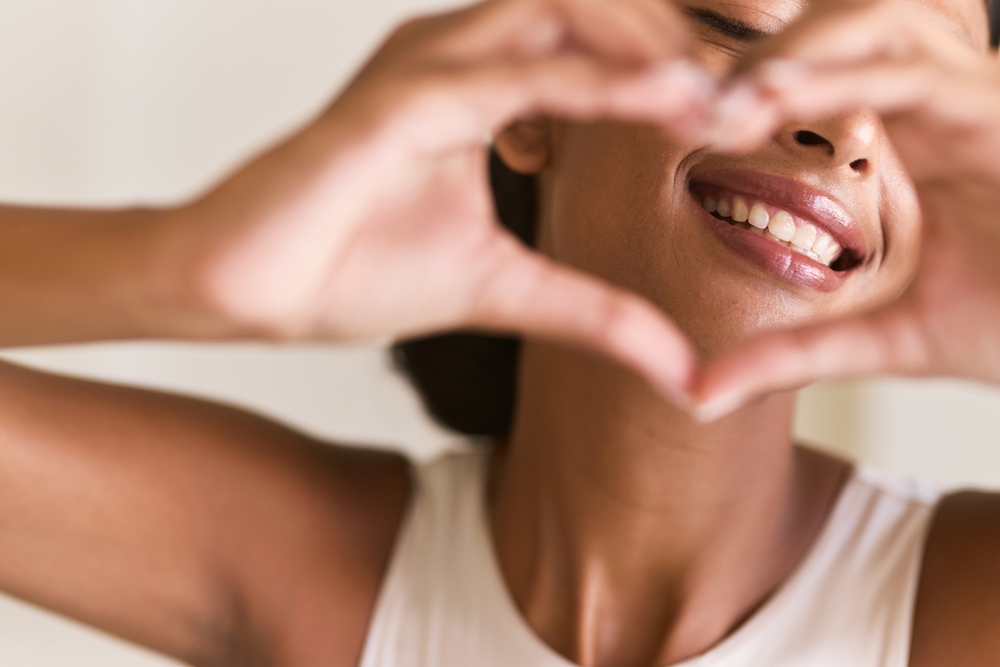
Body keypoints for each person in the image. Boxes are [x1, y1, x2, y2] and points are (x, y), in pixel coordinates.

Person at [0, 0, 997, 665]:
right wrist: (187, 268)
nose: (852, 131)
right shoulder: (311, 570)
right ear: (535, 96)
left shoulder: (959, 608)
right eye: (746, 25)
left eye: (915, 97)